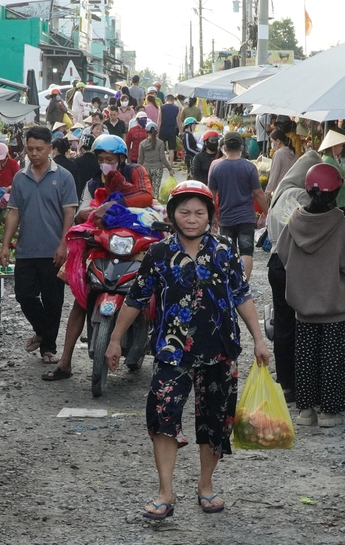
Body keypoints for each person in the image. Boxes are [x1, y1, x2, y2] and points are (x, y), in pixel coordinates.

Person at [104, 180, 271, 520]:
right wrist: (114, 339)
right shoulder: (159, 253)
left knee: (215, 422)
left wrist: (259, 339)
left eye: (199, 212)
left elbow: (242, 296)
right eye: (184, 212)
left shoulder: (224, 250)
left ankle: (205, 485)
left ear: (210, 215)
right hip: (172, 351)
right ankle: (165, 492)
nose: (191, 219)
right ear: (172, 215)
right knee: (162, 415)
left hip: (220, 349)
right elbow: (136, 298)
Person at [43, 134, 154, 381]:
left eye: (110, 159)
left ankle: (162, 343)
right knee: (81, 299)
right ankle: (65, 361)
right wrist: (94, 211)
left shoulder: (136, 171)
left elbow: (146, 197)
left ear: (122, 159)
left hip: (133, 242)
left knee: (155, 286)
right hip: (101, 244)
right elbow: (82, 210)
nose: (105, 163)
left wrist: (113, 205)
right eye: (101, 159)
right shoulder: (93, 183)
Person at [279, 163, 345, 428]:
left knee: (304, 358)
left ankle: (305, 412)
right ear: (337, 190)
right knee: (332, 359)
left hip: (302, 307)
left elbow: (281, 256)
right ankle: (329, 412)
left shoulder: (294, 221)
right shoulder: (343, 225)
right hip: (334, 306)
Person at [0, 127, 78, 364]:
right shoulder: (20, 177)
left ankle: (49, 348)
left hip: (54, 250)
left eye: (39, 149)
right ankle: (44, 332)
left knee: (53, 300)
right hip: (26, 249)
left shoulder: (63, 177)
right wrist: (5, 245)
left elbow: (69, 213)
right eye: (30, 149)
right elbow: (13, 213)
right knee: (24, 295)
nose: (34, 154)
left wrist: (64, 244)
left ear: (50, 149)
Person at [266, 149, 324, 401]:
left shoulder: (282, 191)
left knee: (283, 324)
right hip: (293, 264)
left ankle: (285, 381)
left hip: (276, 262)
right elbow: (305, 233)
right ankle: (300, 382)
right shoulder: (299, 195)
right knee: (300, 325)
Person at [208, 131, 269, 281]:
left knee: (228, 251)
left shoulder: (216, 168)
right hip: (246, 218)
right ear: (242, 147)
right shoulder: (249, 167)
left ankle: (229, 283)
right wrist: (267, 213)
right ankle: (243, 285)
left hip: (226, 218)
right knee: (246, 252)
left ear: (224, 148)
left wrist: (212, 217)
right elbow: (258, 194)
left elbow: (210, 196)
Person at [317, 129, 345, 210]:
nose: (342, 148)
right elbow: (339, 181)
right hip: (336, 202)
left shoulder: (331, 159)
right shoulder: (328, 161)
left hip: (340, 200)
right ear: (333, 146)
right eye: (341, 145)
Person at [138, 121, 175, 191]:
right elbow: (163, 158)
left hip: (146, 169)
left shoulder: (142, 144)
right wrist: (170, 169)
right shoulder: (160, 143)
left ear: (146, 132)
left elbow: (140, 159)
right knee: (156, 191)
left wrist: (136, 170)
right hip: (157, 169)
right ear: (156, 132)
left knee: (147, 190)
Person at [265, 130, 296, 195]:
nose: (272, 144)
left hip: (280, 190)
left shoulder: (278, 154)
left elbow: (274, 175)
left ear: (278, 141)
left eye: (272, 141)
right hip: (293, 188)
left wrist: (267, 193)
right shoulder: (295, 153)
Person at [158, 94, 180, 165]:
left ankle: (161, 164)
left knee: (160, 148)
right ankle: (170, 164)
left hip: (163, 130)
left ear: (166, 100)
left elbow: (159, 120)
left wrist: (157, 130)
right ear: (173, 100)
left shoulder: (161, 107)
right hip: (172, 130)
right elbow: (179, 121)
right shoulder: (177, 108)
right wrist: (181, 131)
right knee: (171, 148)